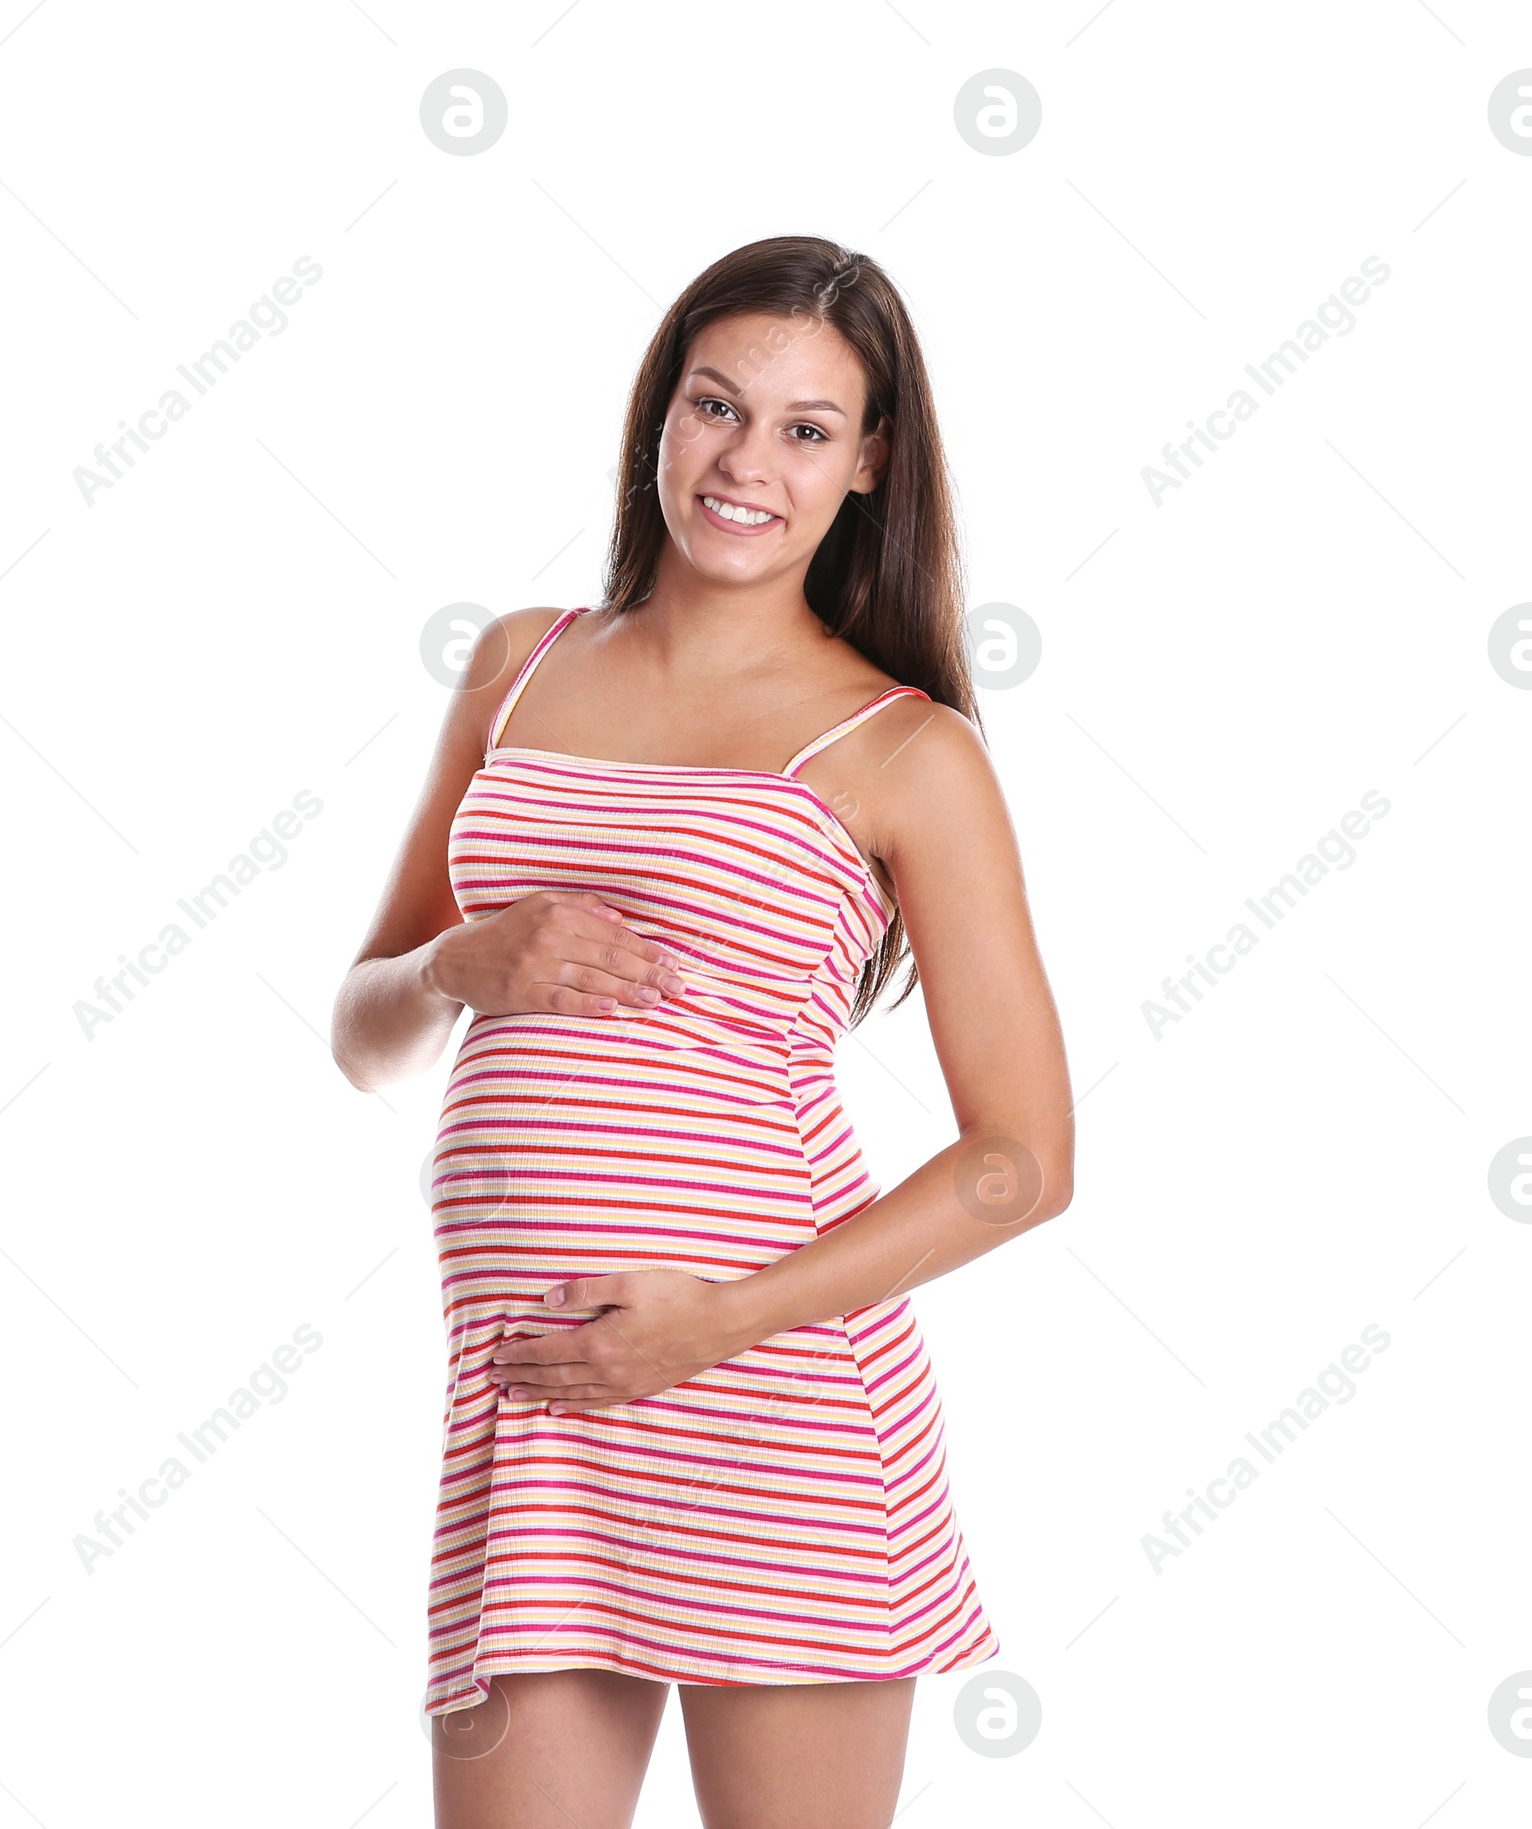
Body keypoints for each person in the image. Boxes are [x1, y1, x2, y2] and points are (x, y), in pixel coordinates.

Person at [331, 235, 1073, 1829]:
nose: (746, 463)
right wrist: (467, 957)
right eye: (715, 406)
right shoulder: (517, 666)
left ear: (869, 462)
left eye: (809, 429)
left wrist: (716, 1323)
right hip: (535, 1410)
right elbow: (364, 1032)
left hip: (777, 1399)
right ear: (657, 415)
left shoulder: (907, 750)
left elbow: (1024, 1160)